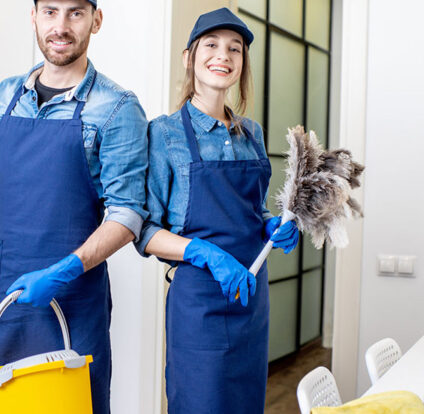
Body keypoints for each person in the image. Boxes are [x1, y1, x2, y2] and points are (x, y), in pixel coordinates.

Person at [0, 1, 148, 412]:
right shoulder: (7, 94)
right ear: (33, 17)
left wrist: (64, 270)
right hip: (5, 296)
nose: (61, 26)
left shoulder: (118, 107)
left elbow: (128, 215)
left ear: (96, 20)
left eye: (75, 13)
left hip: (73, 296)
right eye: (50, 11)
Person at [135, 8, 299, 413]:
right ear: (189, 57)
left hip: (251, 298)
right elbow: (145, 231)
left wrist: (270, 225)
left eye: (235, 48)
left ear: (242, 63)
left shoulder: (252, 133)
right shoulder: (165, 132)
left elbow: (251, 210)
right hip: (199, 306)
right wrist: (205, 253)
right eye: (211, 45)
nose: (223, 55)